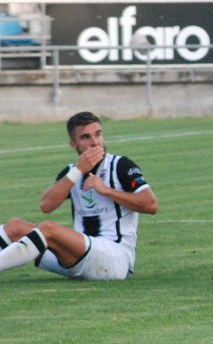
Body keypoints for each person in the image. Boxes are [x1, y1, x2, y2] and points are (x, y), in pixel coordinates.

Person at [0, 112, 158, 281]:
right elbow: (46, 205)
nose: (94, 142)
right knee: (16, 226)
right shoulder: (72, 173)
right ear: (73, 144)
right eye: (86, 137)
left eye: (98, 134)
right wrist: (77, 171)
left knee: (48, 229)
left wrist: (107, 191)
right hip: (78, 257)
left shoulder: (120, 165)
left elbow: (151, 205)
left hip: (115, 259)